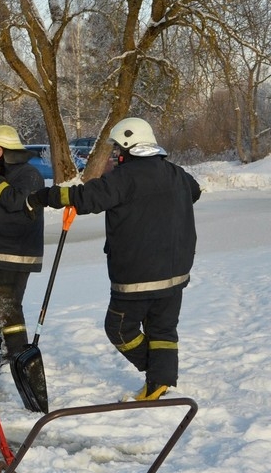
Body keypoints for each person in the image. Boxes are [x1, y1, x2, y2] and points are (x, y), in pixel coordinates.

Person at [27, 117, 200, 401]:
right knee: (162, 328)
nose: (116, 154)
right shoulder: (176, 174)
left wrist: (46, 196)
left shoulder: (124, 178)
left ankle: (157, 371)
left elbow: (85, 198)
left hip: (137, 275)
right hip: (176, 273)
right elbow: (195, 191)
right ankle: (160, 381)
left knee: (119, 328)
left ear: (129, 147)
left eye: (119, 148)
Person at [0, 125, 45, 367]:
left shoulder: (28, 175)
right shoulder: (2, 173)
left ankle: (18, 357)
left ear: (8, 150)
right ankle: (7, 352)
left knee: (7, 303)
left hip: (17, 252)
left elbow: (14, 201)